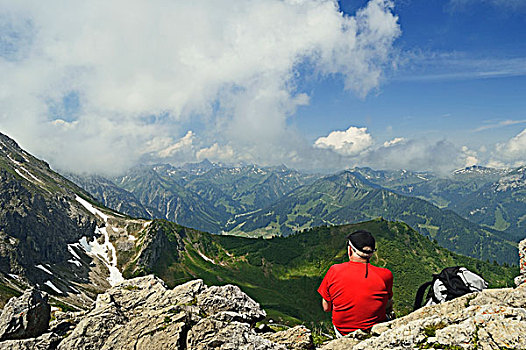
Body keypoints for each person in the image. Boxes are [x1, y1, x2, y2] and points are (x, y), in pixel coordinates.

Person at [317, 230, 393, 337]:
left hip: (343, 331)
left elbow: (326, 307)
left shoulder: (334, 270)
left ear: (350, 250)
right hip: (374, 330)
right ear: (371, 254)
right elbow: (387, 304)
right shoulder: (386, 275)